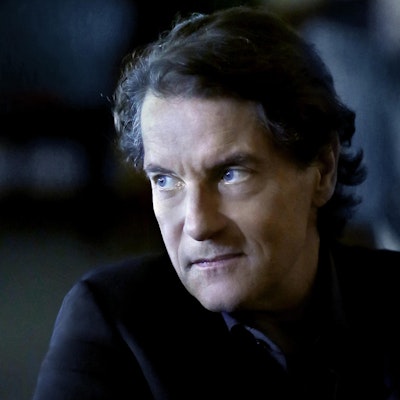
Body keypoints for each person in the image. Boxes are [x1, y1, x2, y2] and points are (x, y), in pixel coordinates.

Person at [32, 5, 400, 399]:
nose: (197, 224)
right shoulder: (112, 324)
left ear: (323, 170)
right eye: (165, 180)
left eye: (230, 174)